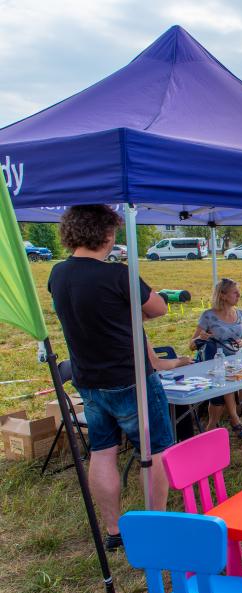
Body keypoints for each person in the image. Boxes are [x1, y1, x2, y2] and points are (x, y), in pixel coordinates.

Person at [48, 204, 171, 550]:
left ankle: (114, 530)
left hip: (88, 379)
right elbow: (159, 308)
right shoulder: (117, 274)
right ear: (105, 233)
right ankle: (156, 525)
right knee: (155, 451)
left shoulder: (57, 274)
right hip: (130, 378)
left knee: (102, 452)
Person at [190, 278, 242, 438]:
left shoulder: (241, 314)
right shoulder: (208, 316)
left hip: (237, 362)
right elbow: (191, 345)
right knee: (224, 379)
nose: (239, 295)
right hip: (213, 363)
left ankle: (212, 429)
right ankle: (234, 420)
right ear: (223, 295)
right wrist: (201, 338)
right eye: (235, 292)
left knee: (224, 383)